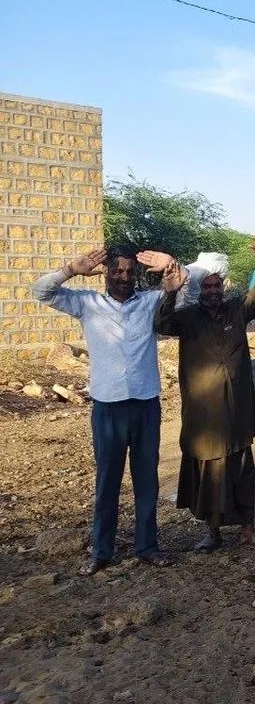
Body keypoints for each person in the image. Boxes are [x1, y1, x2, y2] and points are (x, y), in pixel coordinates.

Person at [32, 246, 176, 574]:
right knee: (107, 482)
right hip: (108, 409)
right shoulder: (87, 304)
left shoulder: (151, 302)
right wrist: (70, 269)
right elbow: (40, 292)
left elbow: (190, 290)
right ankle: (101, 551)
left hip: (145, 406)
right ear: (107, 273)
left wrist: (172, 266)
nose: (124, 277)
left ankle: (147, 546)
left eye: (129, 271)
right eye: (118, 271)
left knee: (147, 481)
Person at [154, 229, 255, 552]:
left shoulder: (237, 310)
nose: (211, 291)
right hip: (205, 417)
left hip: (237, 413)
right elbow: (161, 324)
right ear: (200, 290)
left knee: (242, 472)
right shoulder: (188, 318)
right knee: (210, 475)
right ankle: (213, 532)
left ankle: (248, 529)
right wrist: (170, 293)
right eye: (206, 286)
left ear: (223, 287)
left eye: (216, 286)